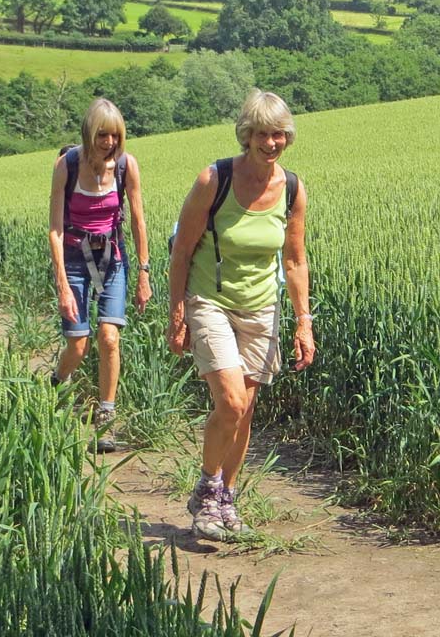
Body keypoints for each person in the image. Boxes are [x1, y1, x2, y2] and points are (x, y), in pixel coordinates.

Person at [167, 89, 316, 541]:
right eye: (262, 135)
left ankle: (227, 499)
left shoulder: (292, 189)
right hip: (209, 301)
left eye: (279, 135)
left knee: (245, 410)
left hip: (262, 308)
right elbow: (182, 250)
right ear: (246, 135)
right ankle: (207, 489)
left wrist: (304, 322)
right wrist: (177, 313)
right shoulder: (215, 180)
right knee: (231, 402)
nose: (271, 143)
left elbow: (295, 260)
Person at [49, 98, 151, 453]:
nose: (109, 142)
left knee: (109, 337)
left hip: (112, 259)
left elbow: (138, 220)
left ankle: (106, 416)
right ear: (89, 134)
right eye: (102, 135)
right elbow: (55, 229)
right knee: (78, 344)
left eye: (115, 135)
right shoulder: (67, 165)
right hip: (74, 259)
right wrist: (62, 284)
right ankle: (56, 382)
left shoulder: (126, 166)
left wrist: (143, 273)